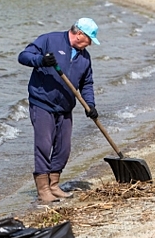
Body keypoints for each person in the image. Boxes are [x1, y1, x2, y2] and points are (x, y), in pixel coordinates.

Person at [18, 18, 100, 204]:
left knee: (63, 148)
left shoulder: (84, 57)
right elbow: (23, 56)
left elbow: (87, 83)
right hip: (42, 103)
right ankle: (43, 189)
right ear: (80, 34)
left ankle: (54, 184)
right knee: (44, 145)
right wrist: (41, 60)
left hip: (65, 107)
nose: (90, 45)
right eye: (90, 40)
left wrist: (90, 104)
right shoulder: (50, 40)